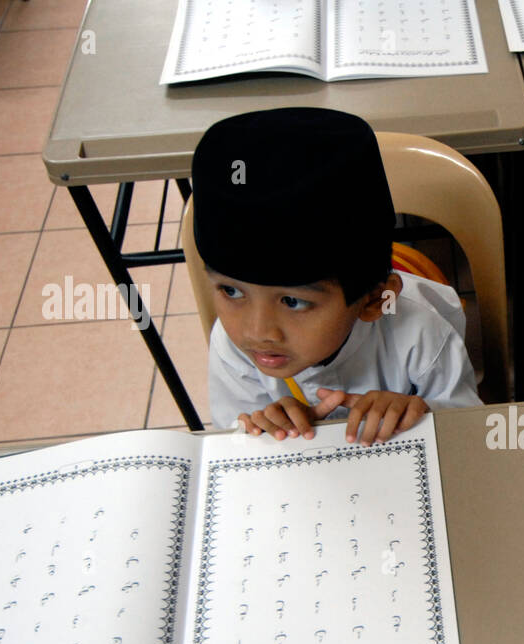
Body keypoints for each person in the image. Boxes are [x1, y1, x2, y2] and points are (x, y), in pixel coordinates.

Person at [192, 107, 480, 445]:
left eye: (292, 301)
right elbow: (233, 439)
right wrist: (262, 427)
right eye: (231, 291)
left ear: (373, 300)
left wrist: (419, 414)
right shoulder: (233, 347)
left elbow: (468, 430)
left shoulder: (420, 333)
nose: (257, 331)